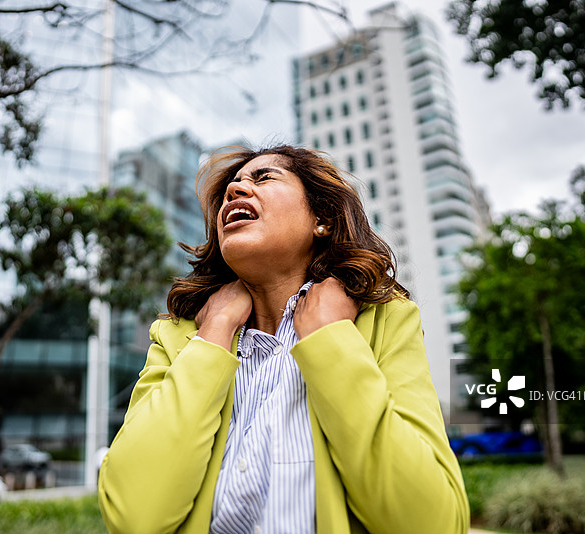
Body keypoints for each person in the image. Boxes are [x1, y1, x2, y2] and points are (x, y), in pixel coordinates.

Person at [98, 145, 470, 533]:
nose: (235, 191)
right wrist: (213, 336)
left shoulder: (383, 320)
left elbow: (434, 523)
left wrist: (331, 339)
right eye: (232, 187)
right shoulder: (178, 337)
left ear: (322, 219)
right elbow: (132, 518)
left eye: (263, 178)